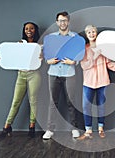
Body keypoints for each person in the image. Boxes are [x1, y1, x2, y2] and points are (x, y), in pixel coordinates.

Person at [77, 25, 115, 140]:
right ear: (86, 35)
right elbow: (84, 66)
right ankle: (88, 131)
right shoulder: (84, 49)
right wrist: (94, 57)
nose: (92, 34)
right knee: (86, 106)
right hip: (88, 82)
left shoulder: (103, 49)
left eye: (93, 32)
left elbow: (109, 64)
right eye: (89, 32)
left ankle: (101, 129)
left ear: (96, 33)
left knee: (101, 106)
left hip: (103, 81)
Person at [0, 22, 41, 138]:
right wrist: (0, 57)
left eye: (31, 28)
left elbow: (43, 61)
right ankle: (7, 126)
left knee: (33, 101)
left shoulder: (39, 45)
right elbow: (11, 57)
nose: (29, 30)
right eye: (26, 28)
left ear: (35, 30)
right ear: (24, 31)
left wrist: (43, 56)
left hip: (34, 74)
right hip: (21, 75)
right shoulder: (19, 44)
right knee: (16, 102)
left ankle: (32, 127)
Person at [42, 11, 80, 139]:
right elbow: (45, 55)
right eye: (60, 20)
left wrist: (74, 62)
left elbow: (79, 54)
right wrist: (48, 61)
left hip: (69, 73)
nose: (62, 23)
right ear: (57, 22)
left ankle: (74, 129)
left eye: (64, 20)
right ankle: (49, 129)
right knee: (53, 102)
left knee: (71, 102)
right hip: (53, 73)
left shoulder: (75, 37)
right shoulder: (51, 38)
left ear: (68, 21)